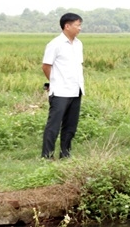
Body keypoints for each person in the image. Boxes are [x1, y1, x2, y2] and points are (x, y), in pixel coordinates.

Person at [41, 12, 84, 159]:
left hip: (76, 90)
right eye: (77, 25)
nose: (80, 28)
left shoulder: (79, 44)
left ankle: (65, 154)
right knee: (54, 125)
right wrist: (54, 82)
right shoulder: (55, 44)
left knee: (70, 126)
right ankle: (47, 156)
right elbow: (46, 66)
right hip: (60, 91)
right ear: (67, 26)